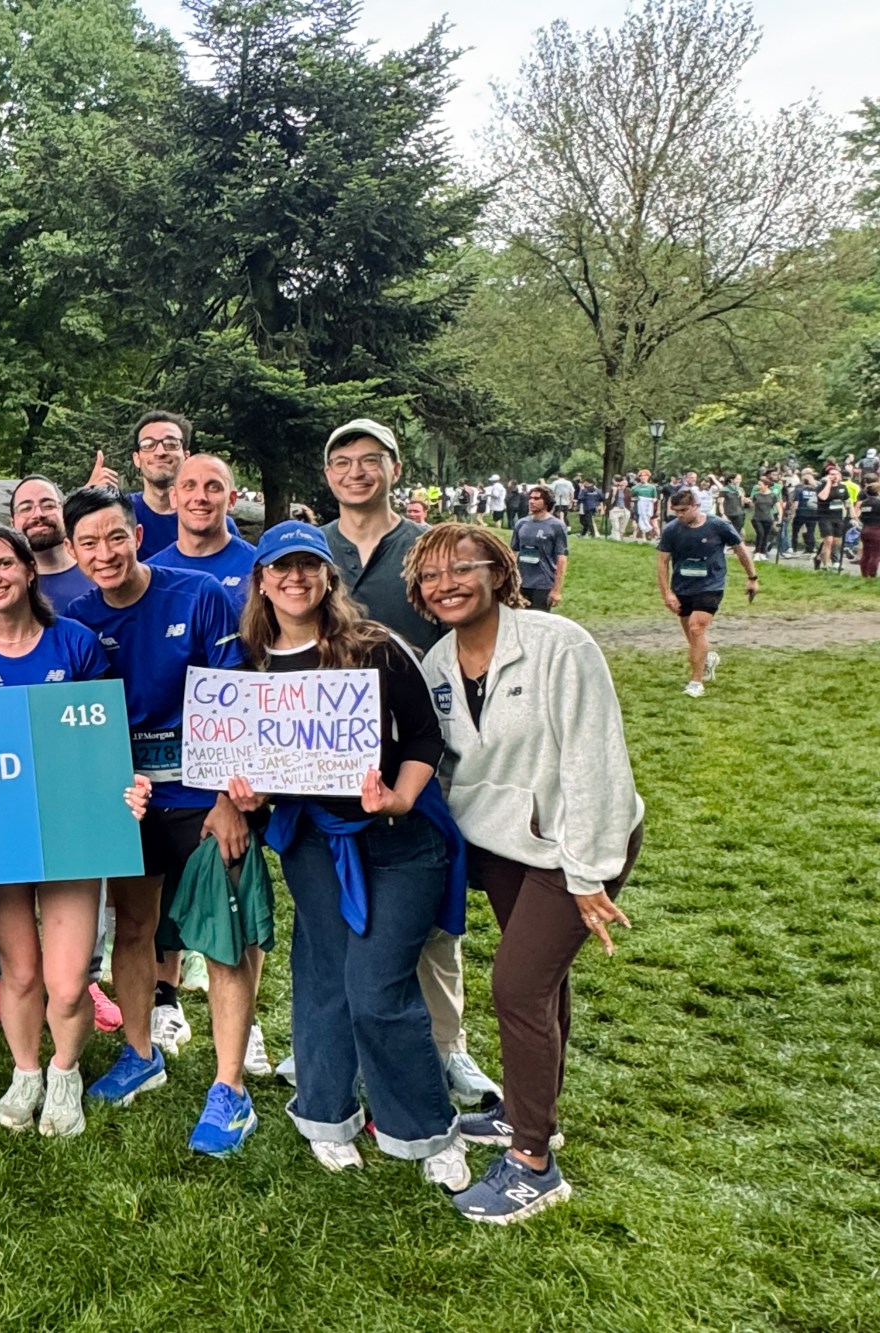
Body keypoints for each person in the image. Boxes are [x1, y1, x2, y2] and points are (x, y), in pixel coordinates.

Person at [407, 523, 644, 1223]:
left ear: (499, 570)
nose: (446, 584)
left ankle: (533, 1163)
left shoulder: (558, 645)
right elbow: (442, 764)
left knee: (515, 984)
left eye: (462, 568)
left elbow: (594, 762)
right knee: (541, 983)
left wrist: (587, 870)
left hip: (577, 844)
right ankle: (528, 1112)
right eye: (430, 576)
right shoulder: (437, 663)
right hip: (506, 846)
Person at [223, 521, 469, 1190]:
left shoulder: (376, 648)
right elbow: (246, 761)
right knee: (325, 978)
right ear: (262, 579)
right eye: (281, 567)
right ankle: (326, 1114)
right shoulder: (246, 663)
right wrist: (246, 793)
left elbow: (423, 738)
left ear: (329, 576)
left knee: (377, 987)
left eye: (309, 565)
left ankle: (425, 1127)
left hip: (400, 841)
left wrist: (398, 797)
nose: (295, 578)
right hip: (311, 841)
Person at [61, 486, 257, 1152]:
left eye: (116, 536)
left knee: (221, 934)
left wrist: (229, 798)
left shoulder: (197, 594)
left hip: (204, 797)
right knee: (136, 924)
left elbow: (234, 696)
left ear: (137, 536)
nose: (105, 552)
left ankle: (230, 1088)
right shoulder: (79, 618)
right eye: (89, 543)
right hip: (132, 800)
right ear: (73, 551)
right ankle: (140, 1051)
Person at [318, 418, 498, 1107]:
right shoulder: (317, 547)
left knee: (428, 910)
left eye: (371, 460)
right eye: (342, 461)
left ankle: (447, 1046)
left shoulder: (426, 550)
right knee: (337, 906)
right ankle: (340, 1047)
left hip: (423, 755)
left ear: (395, 467)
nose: (356, 472)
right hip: (327, 763)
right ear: (328, 474)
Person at [0, 524, 119, 1136]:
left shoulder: (75, 643)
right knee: (16, 973)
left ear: (29, 570)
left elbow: (102, 739)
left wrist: (124, 788)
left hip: (71, 828)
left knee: (67, 984)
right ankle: (25, 1073)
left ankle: (65, 1073)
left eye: (3, 564)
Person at [657, 487, 757, 698]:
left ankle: (696, 682)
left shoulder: (718, 526)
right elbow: (662, 562)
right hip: (683, 587)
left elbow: (740, 550)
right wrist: (667, 593)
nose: (679, 515)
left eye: (684, 510)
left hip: (711, 585)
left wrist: (752, 578)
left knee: (696, 629)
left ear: (696, 505)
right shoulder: (672, 530)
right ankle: (708, 658)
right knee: (692, 637)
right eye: (676, 511)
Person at [148, 453, 257, 614]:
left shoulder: (259, 568)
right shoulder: (149, 575)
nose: (200, 497)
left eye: (213, 487)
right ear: (173, 497)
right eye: (189, 486)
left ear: (232, 500)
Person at [87, 412, 190, 559]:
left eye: (171, 444)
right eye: (148, 445)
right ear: (137, 459)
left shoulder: (206, 517)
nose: (160, 452)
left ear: (186, 457)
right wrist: (86, 497)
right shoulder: (119, 512)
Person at [9, 476, 95, 611]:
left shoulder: (99, 571)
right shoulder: (0, 585)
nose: (38, 514)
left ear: (65, 514)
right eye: (26, 508)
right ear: (12, 523)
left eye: (48, 505)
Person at [510, 486, 569, 611]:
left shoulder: (556, 526)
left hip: (543, 585)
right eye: (530, 498)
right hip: (521, 583)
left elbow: (562, 558)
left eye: (537, 498)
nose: (531, 501)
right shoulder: (521, 523)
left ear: (547, 502)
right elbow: (513, 553)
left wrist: (556, 590)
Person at [816, 465, 850, 570]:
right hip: (825, 516)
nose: (833, 476)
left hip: (838, 517)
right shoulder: (821, 486)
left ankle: (820, 557)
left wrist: (852, 516)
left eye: (835, 474)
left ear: (839, 476)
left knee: (836, 542)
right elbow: (823, 497)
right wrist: (828, 484)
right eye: (831, 474)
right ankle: (825, 565)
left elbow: (847, 502)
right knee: (828, 540)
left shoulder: (843, 487)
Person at [749, 475, 780, 556]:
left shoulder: (773, 495)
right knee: (760, 533)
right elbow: (751, 504)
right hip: (757, 518)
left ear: (766, 485)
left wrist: (780, 516)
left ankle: (763, 552)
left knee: (766, 536)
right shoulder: (756, 495)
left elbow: (778, 506)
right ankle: (757, 552)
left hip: (768, 518)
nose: (758, 486)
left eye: (760, 485)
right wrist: (747, 501)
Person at [860, 482, 880, 579]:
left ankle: (864, 574)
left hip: (865, 528)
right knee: (875, 554)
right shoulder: (878, 503)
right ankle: (872, 575)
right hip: (876, 530)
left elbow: (861, 517)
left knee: (866, 553)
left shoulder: (864, 503)